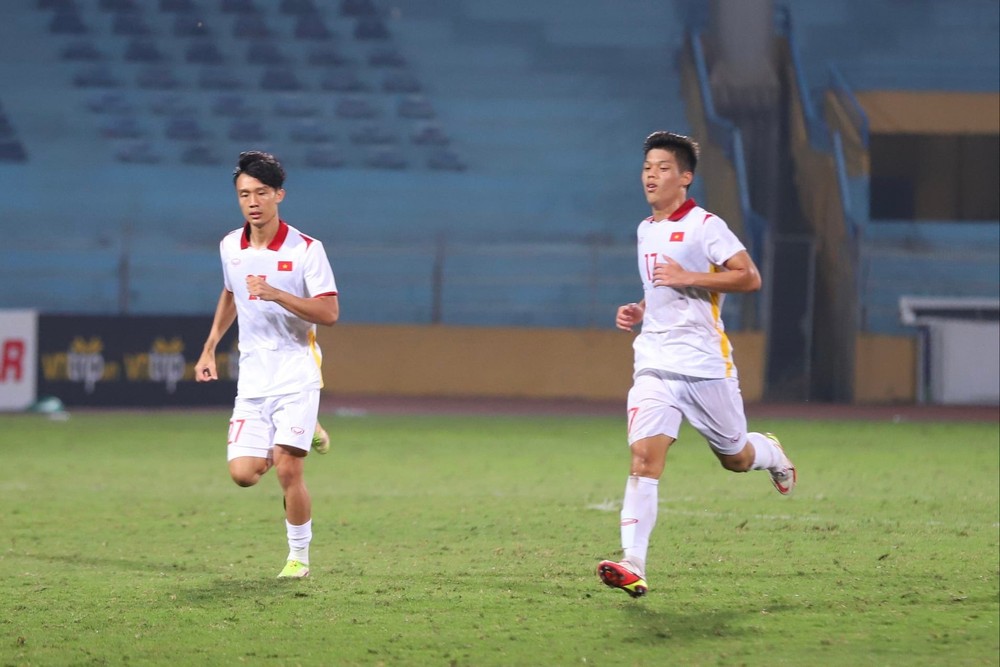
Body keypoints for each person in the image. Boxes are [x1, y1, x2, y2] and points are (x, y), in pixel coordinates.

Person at [597, 132, 796, 598]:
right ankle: (633, 563)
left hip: (705, 365)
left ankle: (770, 453)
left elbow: (749, 276)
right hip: (654, 362)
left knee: (735, 457)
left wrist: (689, 275)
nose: (651, 174)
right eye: (647, 166)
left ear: (685, 177)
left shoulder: (707, 225)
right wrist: (641, 309)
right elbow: (660, 289)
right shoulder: (645, 228)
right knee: (644, 459)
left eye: (663, 167)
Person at [196, 150, 339, 579]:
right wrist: (209, 347)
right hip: (254, 376)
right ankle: (305, 426)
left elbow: (329, 313)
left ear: (279, 195)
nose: (252, 202)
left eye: (261, 193)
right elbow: (230, 294)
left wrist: (278, 293)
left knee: (289, 468)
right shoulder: (229, 246)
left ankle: (299, 559)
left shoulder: (306, 250)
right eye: (244, 194)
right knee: (242, 474)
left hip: (296, 370)